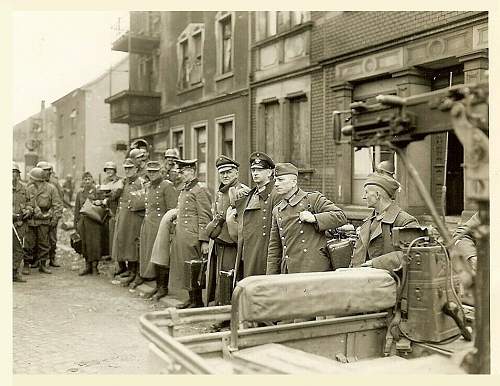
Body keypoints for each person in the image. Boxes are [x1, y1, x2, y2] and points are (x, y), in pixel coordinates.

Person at [266, 163, 347, 274]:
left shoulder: (312, 199)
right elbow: (274, 248)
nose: (276, 184)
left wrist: (315, 218)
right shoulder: (277, 210)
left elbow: (340, 216)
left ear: (294, 182)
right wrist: (271, 277)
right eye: (275, 180)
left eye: (280, 180)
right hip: (289, 271)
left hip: (313, 269)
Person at [226, 152, 281, 282]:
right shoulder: (251, 193)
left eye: (260, 170)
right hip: (249, 249)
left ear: (269, 173)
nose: (255, 173)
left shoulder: (275, 194)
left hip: (265, 250)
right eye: (253, 170)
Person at [205, 156, 250, 307]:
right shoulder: (221, 192)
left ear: (236, 173)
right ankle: (221, 310)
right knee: (219, 280)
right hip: (220, 242)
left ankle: (227, 315)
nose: (225, 176)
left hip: (233, 244)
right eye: (222, 173)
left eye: (229, 172)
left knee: (229, 279)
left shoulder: (242, 191)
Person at [351, 173, 419, 270]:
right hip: (362, 279)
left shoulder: (405, 221)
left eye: (366, 192)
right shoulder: (369, 221)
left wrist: (376, 263)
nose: (363, 196)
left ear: (378, 195)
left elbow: (412, 253)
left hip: (389, 281)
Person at [168, 159, 212, 309]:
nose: (182, 174)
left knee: (194, 268)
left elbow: (205, 215)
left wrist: (205, 240)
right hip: (182, 235)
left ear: (192, 171)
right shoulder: (185, 189)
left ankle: (197, 301)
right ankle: (190, 298)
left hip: (193, 237)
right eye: (180, 171)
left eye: (184, 171)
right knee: (185, 267)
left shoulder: (200, 190)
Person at [130, 161, 177, 299]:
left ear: (160, 172)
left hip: (161, 226)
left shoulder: (166, 186)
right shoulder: (149, 186)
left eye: (154, 172)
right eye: (149, 172)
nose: (151, 174)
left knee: (161, 256)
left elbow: (172, 209)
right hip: (149, 226)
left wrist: (171, 230)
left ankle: (163, 287)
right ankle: (157, 285)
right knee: (150, 254)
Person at [111, 158, 146, 286]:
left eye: (130, 168)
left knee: (133, 243)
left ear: (136, 169)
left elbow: (143, 200)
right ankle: (129, 269)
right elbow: (112, 197)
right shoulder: (123, 182)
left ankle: (135, 272)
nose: (127, 171)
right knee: (124, 242)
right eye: (125, 168)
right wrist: (119, 188)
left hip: (135, 217)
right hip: (124, 216)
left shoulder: (140, 182)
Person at [25, 167, 63, 274]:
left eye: (31, 178)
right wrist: (31, 209)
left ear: (36, 179)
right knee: (29, 243)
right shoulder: (29, 189)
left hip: (45, 220)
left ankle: (43, 265)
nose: (30, 179)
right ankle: (27, 264)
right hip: (31, 220)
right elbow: (26, 202)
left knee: (44, 244)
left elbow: (57, 205)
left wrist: (54, 218)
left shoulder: (51, 188)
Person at [74, 172, 108, 275]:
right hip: (83, 222)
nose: (87, 181)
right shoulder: (80, 193)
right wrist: (76, 223)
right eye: (85, 179)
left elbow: (104, 205)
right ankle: (87, 266)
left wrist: (99, 202)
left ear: (92, 180)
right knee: (84, 244)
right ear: (82, 181)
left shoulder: (98, 191)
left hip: (94, 222)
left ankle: (95, 267)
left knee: (95, 244)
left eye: (89, 179)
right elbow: (77, 209)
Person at [36, 161, 70, 268]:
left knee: (52, 238)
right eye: (45, 171)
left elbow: (59, 201)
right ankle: (37, 260)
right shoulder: (34, 182)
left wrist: (55, 217)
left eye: (48, 170)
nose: (48, 173)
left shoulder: (54, 183)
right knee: (37, 238)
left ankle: (52, 258)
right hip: (37, 215)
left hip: (50, 215)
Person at [13, 162, 33, 282]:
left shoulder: (24, 188)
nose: (12, 175)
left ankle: (14, 272)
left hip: (20, 223)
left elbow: (30, 203)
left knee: (19, 248)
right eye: (10, 172)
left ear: (18, 175)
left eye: (15, 172)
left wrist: (29, 211)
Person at [100, 161, 122, 258]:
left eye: (111, 169)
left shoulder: (120, 181)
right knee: (109, 232)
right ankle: (110, 253)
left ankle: (116, 254)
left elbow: (116, 194)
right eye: (107, 170)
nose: (109, 171)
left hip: (117, 207)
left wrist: (107, 198)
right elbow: (102, 194)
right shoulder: (105, 181)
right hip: (108, 209)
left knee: (117, 232)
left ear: (115, 170)